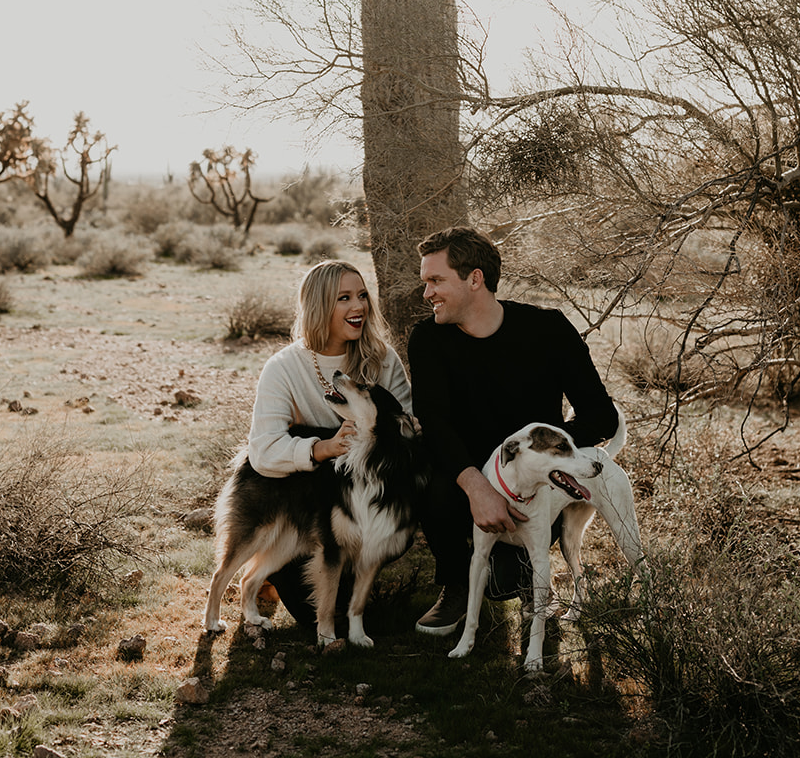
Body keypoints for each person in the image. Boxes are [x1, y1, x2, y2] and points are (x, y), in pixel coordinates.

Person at [407, 226, 620, 636]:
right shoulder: (429, 339)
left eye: (435, 280)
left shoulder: (549, 330)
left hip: (533, 485)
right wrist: (478, 487)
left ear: (474, 279)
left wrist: (548, 457)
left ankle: (531, 586)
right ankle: (456, 584)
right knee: (427, 471)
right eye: (425, 282)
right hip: (463, 478)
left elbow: (600, 415)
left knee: (504, 581)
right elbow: (434, 423)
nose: (426, 293)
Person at [246, 258, 411, 623]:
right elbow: (263, 451)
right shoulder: (284, 367)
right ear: (319, 305)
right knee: (312, 617)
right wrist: (321, 448)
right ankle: (279, 574)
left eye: (362, 295)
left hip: (365, 503)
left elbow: (405, 433)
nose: (359, 307)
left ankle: (357, 572)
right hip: (303, 510)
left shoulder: (383, 360)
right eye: (344, 299)